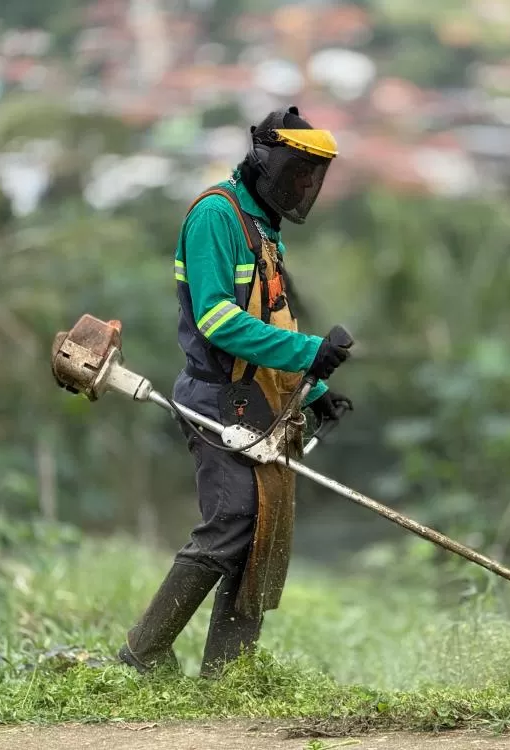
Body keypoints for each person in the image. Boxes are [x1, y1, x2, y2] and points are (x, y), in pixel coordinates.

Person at [117, 106, 353, 678]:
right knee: (234, 520)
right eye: (297, 170)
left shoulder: (265, 231)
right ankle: (142, 653)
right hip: (214, 397)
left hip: (260, 400)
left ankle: (228, 673)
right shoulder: (215, 217)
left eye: (311, 176)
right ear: (265, 158)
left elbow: (274, 316)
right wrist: (308, 354)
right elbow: (219, 320)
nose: (303, 185)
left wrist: (313, 385)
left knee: (261, 532)